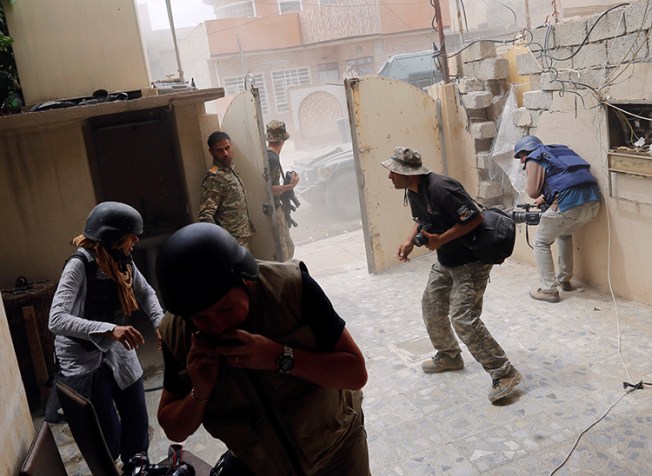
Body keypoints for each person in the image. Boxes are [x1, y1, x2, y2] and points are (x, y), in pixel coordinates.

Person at [154, 222, 370, 475]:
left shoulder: (292, 289)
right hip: (262, 468)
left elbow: (356, 374)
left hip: (339, 451)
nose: (217, 325)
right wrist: (199, 390)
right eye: (202, 319)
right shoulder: (176, 333)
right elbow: (174, 429)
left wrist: (278, 356)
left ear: (247, 283)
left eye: (225, 309)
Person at [382, 146, 521, 404]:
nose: (389, 177)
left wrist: (440, 240)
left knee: (463, 318)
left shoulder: (441, 188)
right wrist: (410, 240)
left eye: (393, 172)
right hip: (447, 258)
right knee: (432, 305)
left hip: (471, 260)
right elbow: (422, 218)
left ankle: (504, 373)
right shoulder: (413, 190)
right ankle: (449, 355)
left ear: (407, 173)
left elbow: (475, 218)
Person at [48, 201, 163, 464]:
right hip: (81, 355)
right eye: (131, 236)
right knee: (105, 435)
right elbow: (56, 319)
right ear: (113, 237)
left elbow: (145, 292)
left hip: (115, 348)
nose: (135, 240)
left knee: (137, 419)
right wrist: (109, 329)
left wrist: (160, 322)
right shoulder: (80, 265)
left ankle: (137, 465)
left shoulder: (122, 262)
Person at [513, 136, 600, 303]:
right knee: (565, 234)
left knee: (540, 242)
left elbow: (532, 192)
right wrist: (546, 198)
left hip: (569, 205)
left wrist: (534, 183)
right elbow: (567, 178)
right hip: (593, 203)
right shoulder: (559, 151)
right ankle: (564, 281)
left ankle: (548, 290)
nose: (521, 161)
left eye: (521, 156)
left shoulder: (535, 157)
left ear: (527, 152)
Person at [198, 130, 253, 247]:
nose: (225, 153)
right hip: (230, 243)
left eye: (227, 148)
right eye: (220, 150)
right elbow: (205, 217)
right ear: (211, 152)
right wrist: (220, 243)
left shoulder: (230, 171)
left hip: (241, 239)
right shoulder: (215, 179)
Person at [266, 119, 299, 261]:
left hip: (275, 208)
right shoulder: (272, 159)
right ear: (283, 140)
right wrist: (290, 186)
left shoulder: (270, 156)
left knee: (288, 247)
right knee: (284, 252)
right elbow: (267, 189)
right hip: (273, 209)